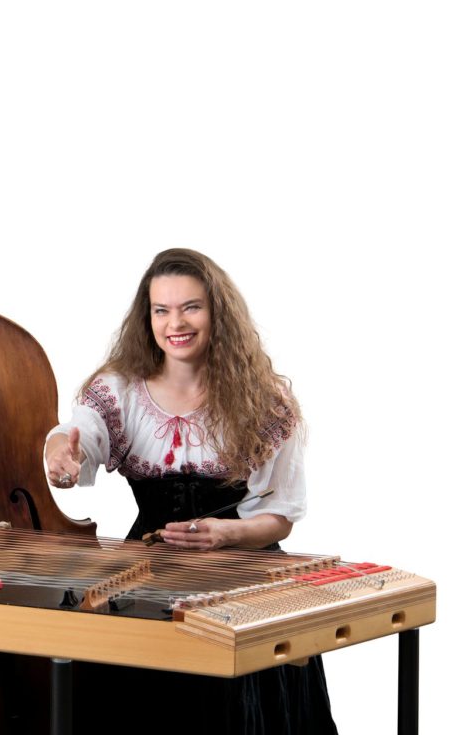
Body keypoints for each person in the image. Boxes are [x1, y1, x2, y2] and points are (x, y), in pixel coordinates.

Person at [44, 247, 336, 733]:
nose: (175, 323)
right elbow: (76, 434)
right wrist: (60, 457)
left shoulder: (265, 400)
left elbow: (280, 517)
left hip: (243, 572)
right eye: (161, 310)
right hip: (146, 576)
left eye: (191, 307)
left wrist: (226, 534)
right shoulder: (120, 390)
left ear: (218, 312)